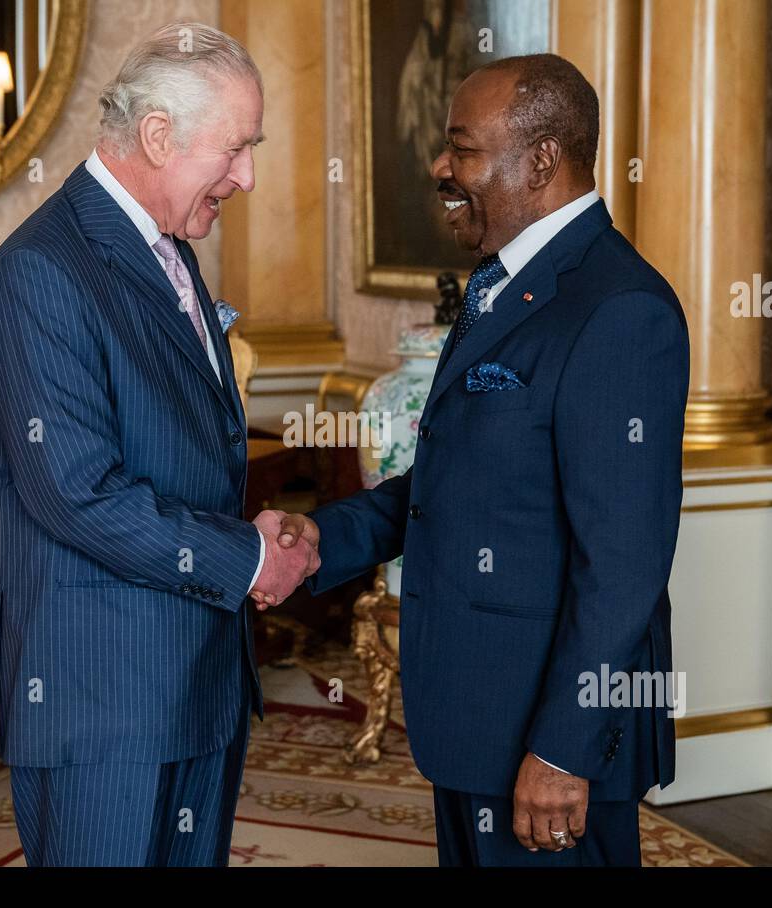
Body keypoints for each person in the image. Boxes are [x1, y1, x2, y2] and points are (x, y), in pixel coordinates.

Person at [269, 54, 690, 866]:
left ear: (540, 161)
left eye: (462, 149)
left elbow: (625, 563)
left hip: (548, 739)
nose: (441, 167)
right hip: (474, 718)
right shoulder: (502, 282)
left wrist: (564, 749)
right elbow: (458, 483)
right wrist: (326, 540)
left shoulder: (619, 308)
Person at [0, 22, 317, 867]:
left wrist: (252, 543)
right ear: (157, 135)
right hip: (102, 700)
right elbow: (78, 493)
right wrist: (244, 560)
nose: (248, 176)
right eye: (235, 150)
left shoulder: (162, 245)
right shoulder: (41, 272)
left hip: (193, 679)